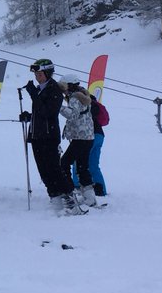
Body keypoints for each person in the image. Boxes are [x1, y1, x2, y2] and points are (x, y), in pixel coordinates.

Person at [18, 59, 83, 215]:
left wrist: (34, 95)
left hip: (48, 136)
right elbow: (40, 112)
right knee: (43, 170)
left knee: (54, 169)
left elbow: (49, 112)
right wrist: (29, 116)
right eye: (35, 74)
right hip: (37, 135)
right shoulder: (41, 89)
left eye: (39, 74)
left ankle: (70, 202)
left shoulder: (54, 89)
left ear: (47, 73)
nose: (37, 77)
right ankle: (55, 199)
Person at [59, 78, 97, 208]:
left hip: (80, 138)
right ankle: (89, 197)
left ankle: (69, 192)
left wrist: (59, 106)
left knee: (64, 163)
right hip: (88, 137)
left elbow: (72, 115)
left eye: (63, 87)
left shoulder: (75, 98)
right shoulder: (85, 96)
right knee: (82, 166)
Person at [90, 97, 109, 197]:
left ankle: (77, 187)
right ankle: (101, 191)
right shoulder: (95, 105)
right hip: (100, 135)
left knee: (79, 162)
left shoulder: (85, 104)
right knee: (94, 165)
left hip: (89, 136)